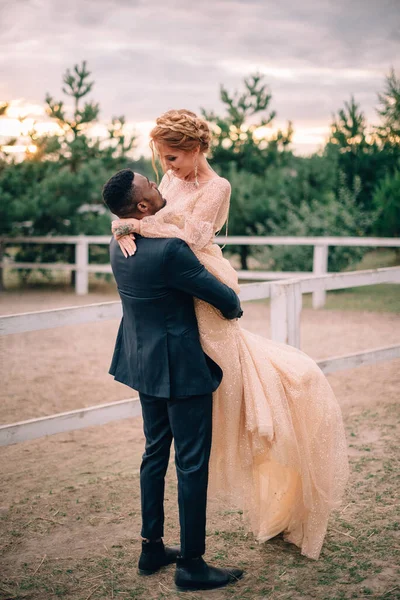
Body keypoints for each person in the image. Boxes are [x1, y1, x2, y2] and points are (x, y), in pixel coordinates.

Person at [110, 109, 350, 561]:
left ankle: (161, 548)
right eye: (162, 158)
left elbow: (192, 236)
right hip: (175, 288)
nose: (167, 168)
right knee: (175, 446)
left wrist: (134, 226)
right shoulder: (167, 185)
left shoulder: (218, 187)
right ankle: (181, 556)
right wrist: (123, 223)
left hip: (195, 273)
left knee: (180, 430)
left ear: (198, 148)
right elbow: (139, 211)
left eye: (175, 157)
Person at [103, 170, 244, 592]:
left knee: (153, 453)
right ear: (143, 207)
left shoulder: (119, 242)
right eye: (150, 185)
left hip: (143, 364)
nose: (159, 186)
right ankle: (192, 565)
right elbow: (228, 301)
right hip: (181, 370)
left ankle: (151, 548)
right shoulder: (169, 252)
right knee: (191, 462)